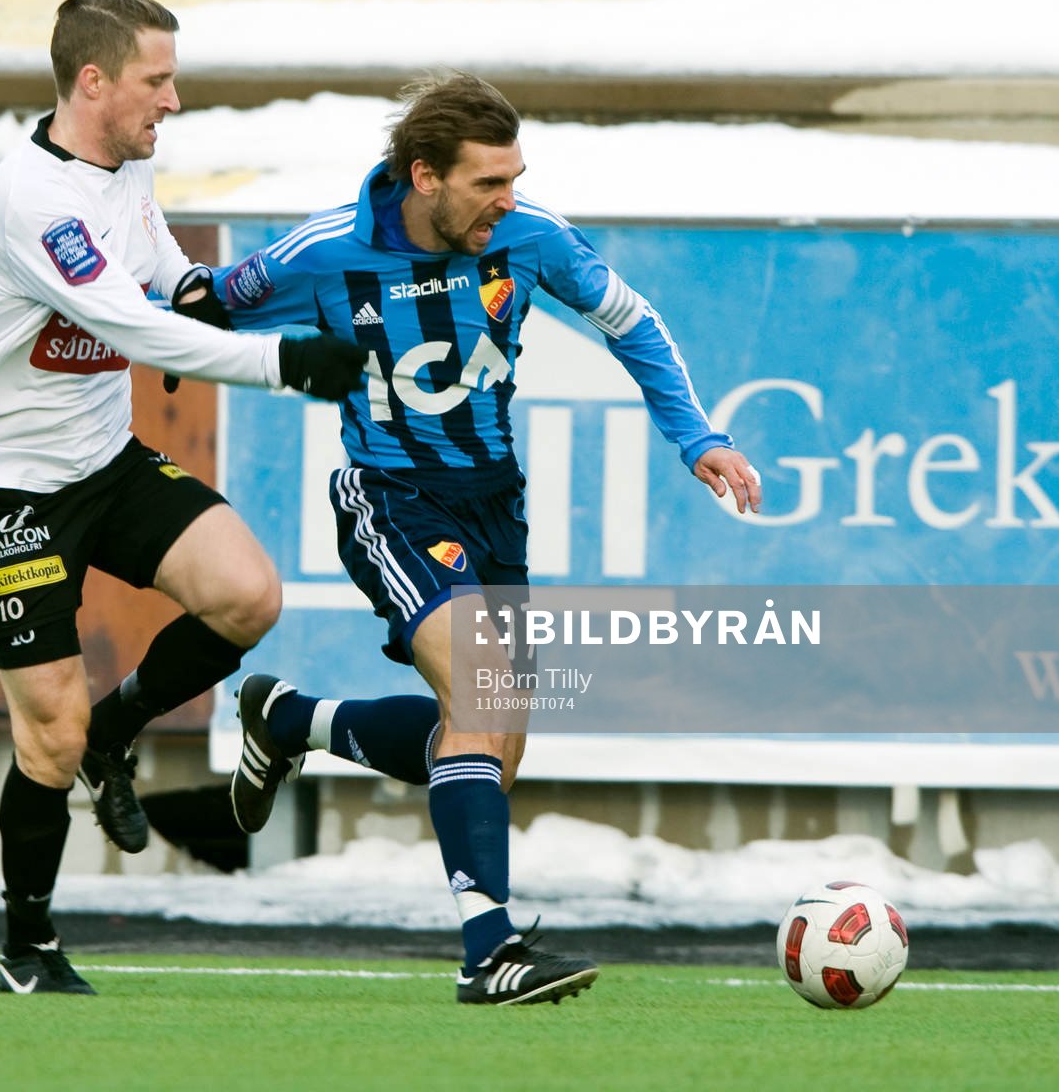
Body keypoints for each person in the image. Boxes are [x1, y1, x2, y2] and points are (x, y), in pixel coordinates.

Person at [216, 72, 762, 1005]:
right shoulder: (324, 252)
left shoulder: (528, 237)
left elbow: (632, 324)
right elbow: (202, 308)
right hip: (389, 496)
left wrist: (697, 436)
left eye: (515, 178)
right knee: (477, 692)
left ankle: (288, 719)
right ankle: (490, 950)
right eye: (487, 183)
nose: (506, 201)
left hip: (495, 505)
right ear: (423, 175)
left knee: (492, 741)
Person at [0, 0, 366, 995]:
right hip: (8, 491)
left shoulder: (121, 166)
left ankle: (120, 734)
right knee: (50, 729)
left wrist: (242, 290)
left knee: (247, 594)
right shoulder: (33, 201)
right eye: (154, 81)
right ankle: (25, 946)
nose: (171, 101)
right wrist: (282, 363)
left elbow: (162, 278)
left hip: (103, 460)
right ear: (92, 81)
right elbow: (130, 326)